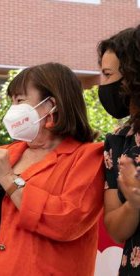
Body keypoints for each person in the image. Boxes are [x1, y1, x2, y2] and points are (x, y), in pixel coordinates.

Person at [0, 62, 105, 275]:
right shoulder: (5, 153)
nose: (12, 110)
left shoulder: (89, 156)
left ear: (52, 105)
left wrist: (7, 178)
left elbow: (67, 221)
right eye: (11, 101)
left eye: (20, 100)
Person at [99, 24, 140, 275]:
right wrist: (134, 205)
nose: (103, 85)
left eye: (107, 74)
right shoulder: (118, 140)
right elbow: (115, 230)